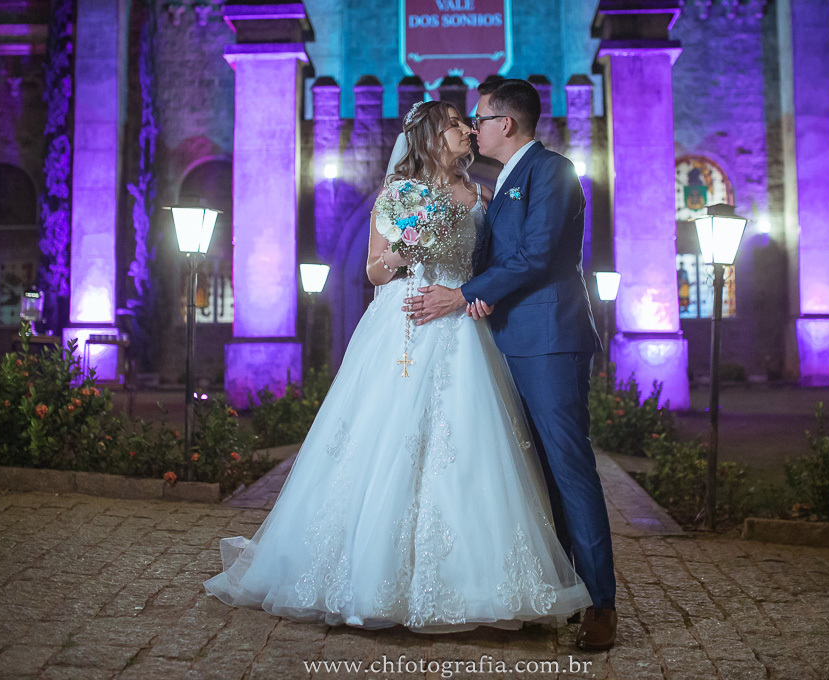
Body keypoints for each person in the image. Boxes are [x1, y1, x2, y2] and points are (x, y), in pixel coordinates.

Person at [203, 99, 591, 633]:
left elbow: (495, 264)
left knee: (472, 446)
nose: (465, 130)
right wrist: (403, 252)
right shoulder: (398, 194)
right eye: (455, 124)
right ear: (432, 136)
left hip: (462, 324)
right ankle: (370, 575)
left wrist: (475, 295)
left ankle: (475, 580)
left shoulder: (481, 194)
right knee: (386, 437)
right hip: (406, 323)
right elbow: (372, 271)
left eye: (467, 121)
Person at [408, 79, 618, 651]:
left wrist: (464, 292)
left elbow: (538, 254)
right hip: (507, 340)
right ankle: (563, 588)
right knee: (537, 474)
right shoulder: (499, 183)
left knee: (569, 467)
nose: (473, 128)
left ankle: (601, 604)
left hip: (549, 338)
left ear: (507, 124)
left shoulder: (552, 171)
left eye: (479, 118)